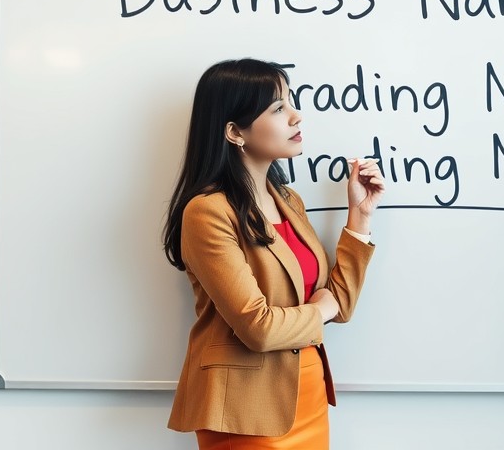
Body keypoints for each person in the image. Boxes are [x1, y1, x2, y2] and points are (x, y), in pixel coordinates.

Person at [163, 58, 384, 449]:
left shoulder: (288, 201)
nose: (296, 117)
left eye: (290, 103)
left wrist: (360, 215)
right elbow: (259, 329)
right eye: (278, 108)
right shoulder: (207, 212)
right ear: (234, 132)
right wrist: (321, 310)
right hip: (247, 411)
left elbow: (342, 303)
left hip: (308, 395)